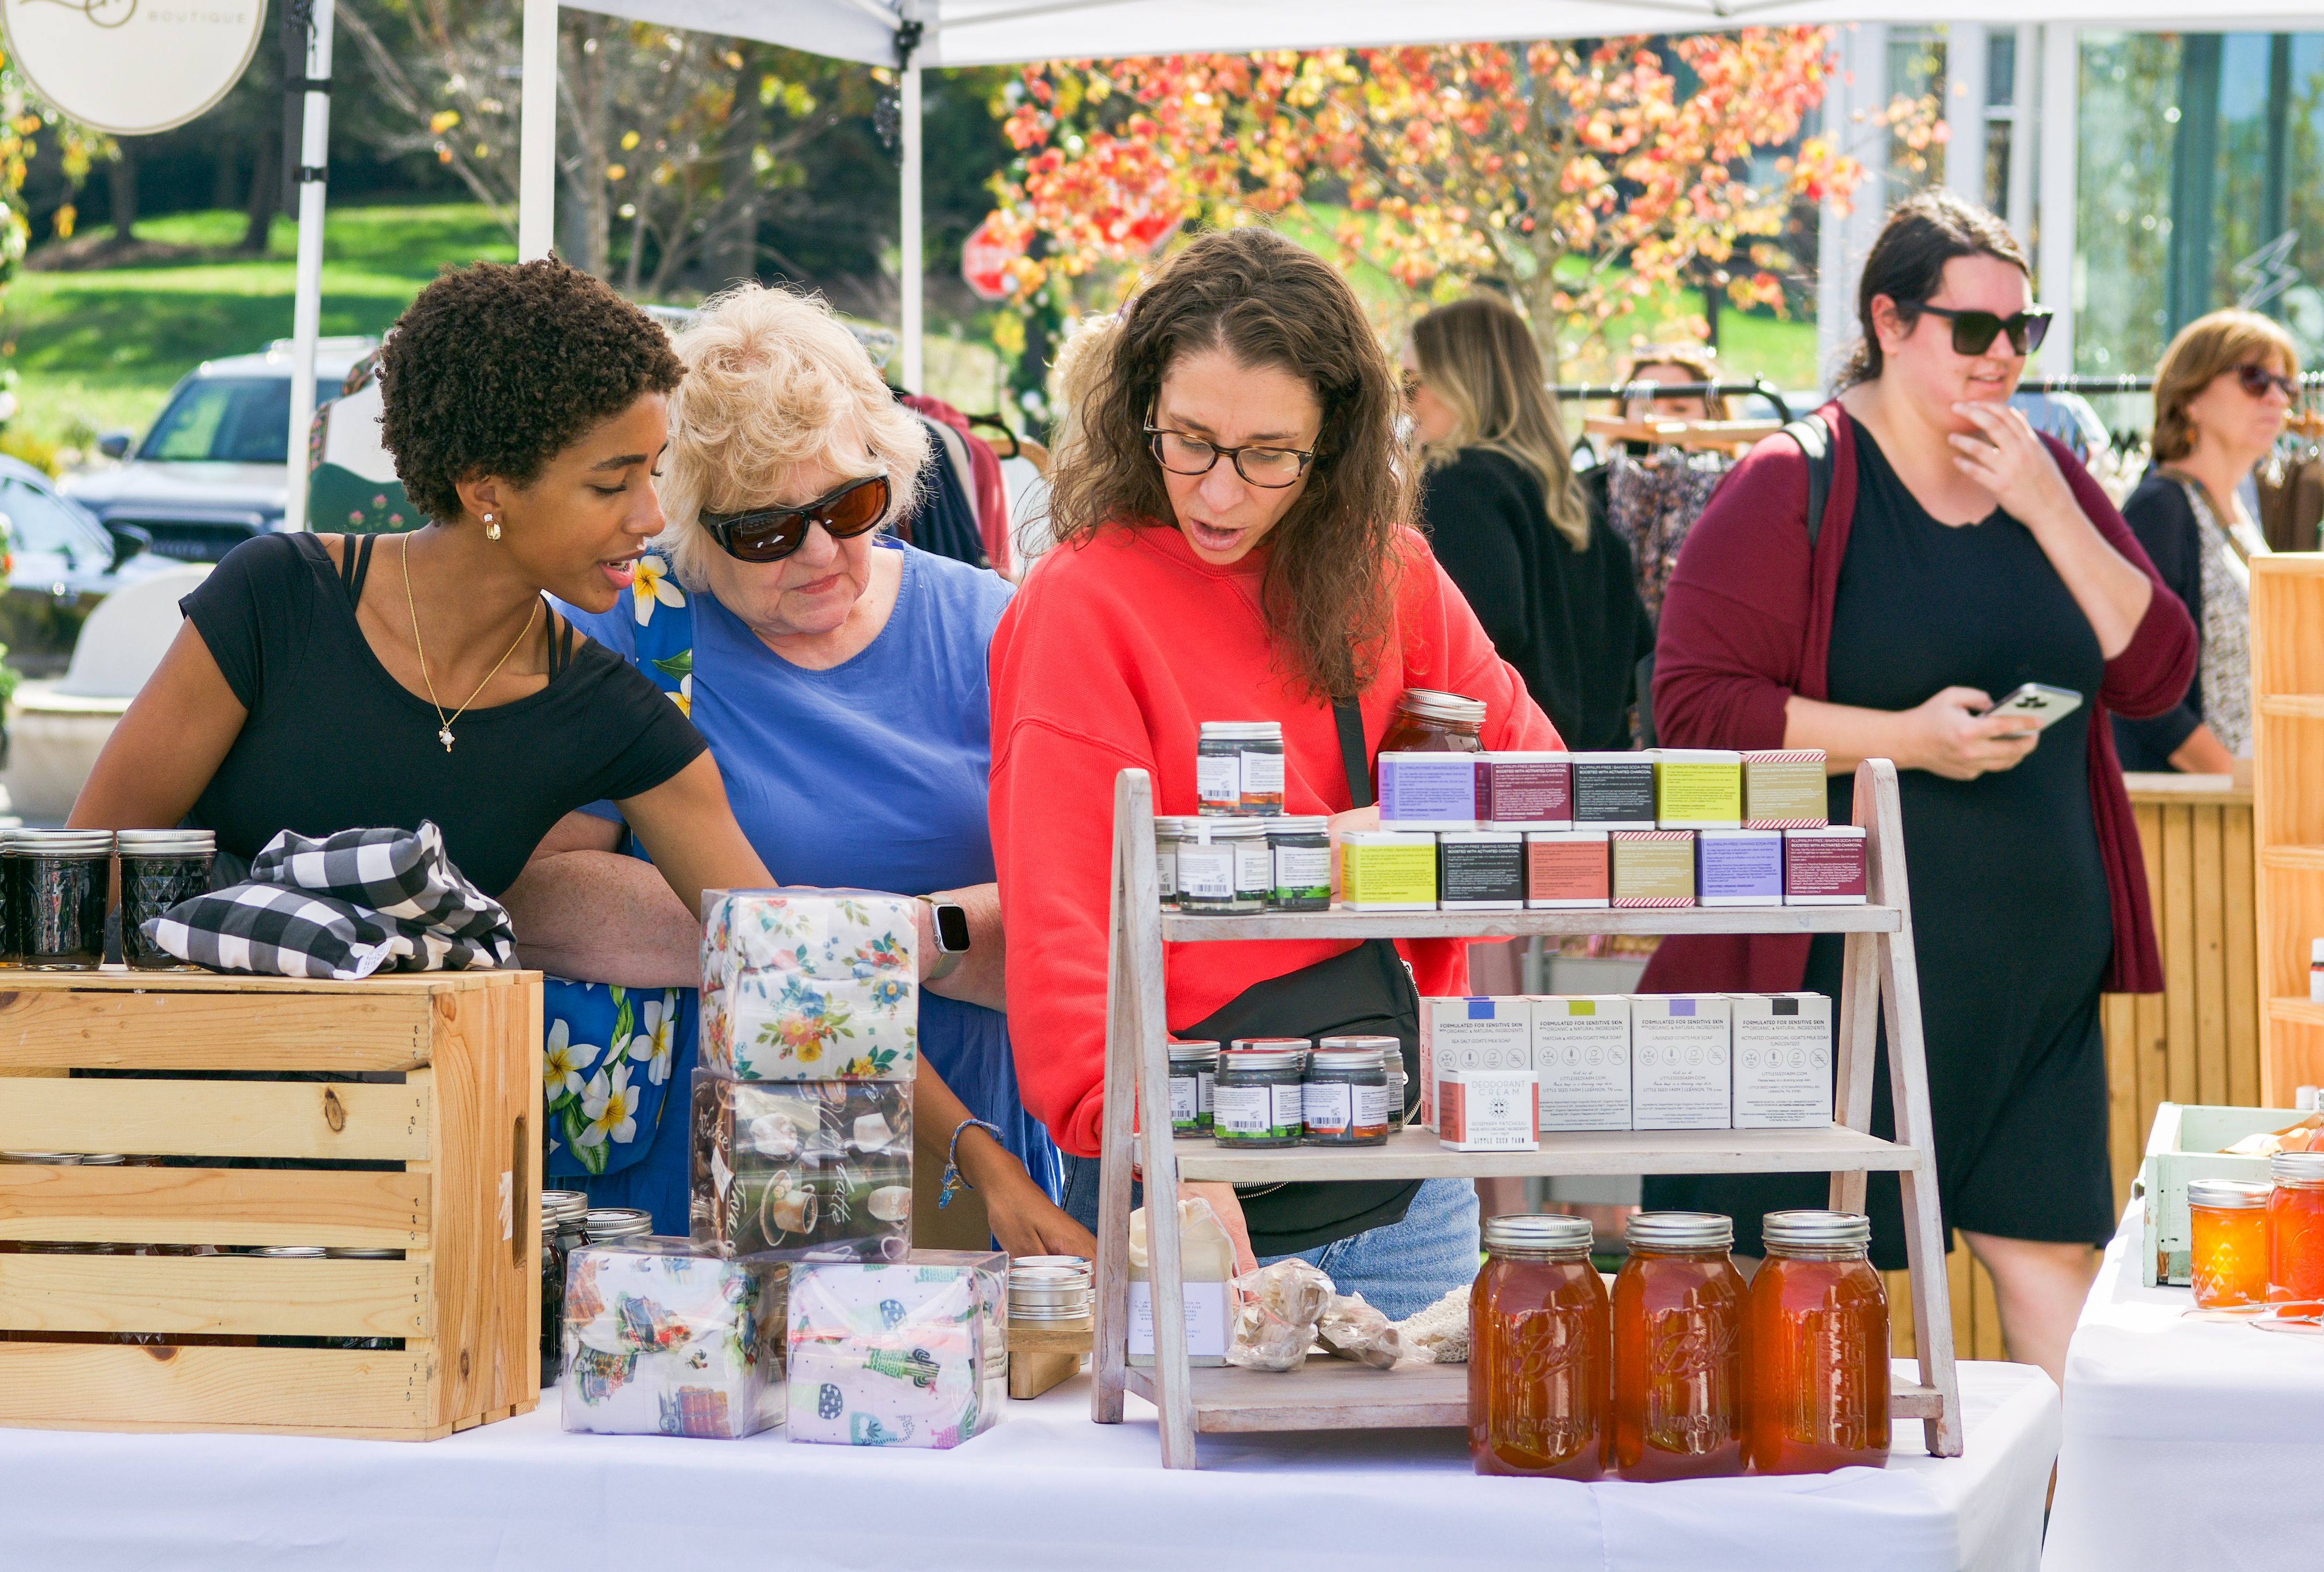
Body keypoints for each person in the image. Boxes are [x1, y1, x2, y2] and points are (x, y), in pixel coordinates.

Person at [77, 260, 1047, 1248]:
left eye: (652, 472)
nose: (650, 517)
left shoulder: (616, 711)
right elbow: (88, 870)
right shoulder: (277, 597)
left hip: (393, 1188)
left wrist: (977, 1154)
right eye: (612, 482)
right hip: (173, 1135)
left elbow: (787, 964)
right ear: (487, 490)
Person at [1643, 192, 2194, 1381]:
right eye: (1973, 329)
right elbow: (1693, 708)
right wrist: (1899, 737)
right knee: (1800, 1286)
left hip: (2029, 979)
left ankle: (2065, 1557)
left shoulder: (2046, 473)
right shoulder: (1794, 481)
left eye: (2024, 331)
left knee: (2056, 1267)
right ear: (1889, 323)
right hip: (1847, 968)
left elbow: (2158, 673)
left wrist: (2050, 505)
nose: (2003, 357)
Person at [988, 228, 1560, 1316]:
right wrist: (1161, 1141)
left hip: (1403, 1179)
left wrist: (1384, 836)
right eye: (1190, 441)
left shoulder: (1391, 574)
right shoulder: (1081, 601)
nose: (1218, 490)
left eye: (1268, 453)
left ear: (1335, 442)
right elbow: (1065, 917)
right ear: (1137, 410)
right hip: (1188, 1181)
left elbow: (1534, 794)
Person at [548, 287, 1082, 1254]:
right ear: (686, 522)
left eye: (852, 502)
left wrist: (916, 932)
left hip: (965, 1160)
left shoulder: (990, 624)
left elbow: (1078, 907)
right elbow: (538, 895)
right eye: (765, 529)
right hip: (697, 1175)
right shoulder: (630, 630)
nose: (824, 549)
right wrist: (841, 944)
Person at [1405, 295, 1651, 749]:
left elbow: (1478, 634)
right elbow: (1639, 646)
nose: (1402, 403)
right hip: (1597, 776)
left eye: (1411, 382)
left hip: (1511, 772)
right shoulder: (1572, 498)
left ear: (1462, 385)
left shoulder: (1460, 481)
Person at [2115, 310, 2298, 778]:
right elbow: (2138, 679)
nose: (2277, 397)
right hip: (2191, 810)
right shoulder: (2161, 508)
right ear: (2190, 397)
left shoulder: (2239, 512)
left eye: (2287, 384)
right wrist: (2230, 778)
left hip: (2241, 796)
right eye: (2255, 379)